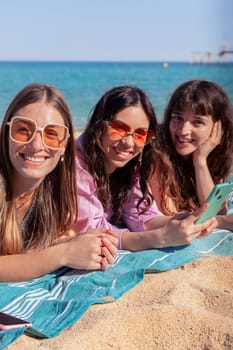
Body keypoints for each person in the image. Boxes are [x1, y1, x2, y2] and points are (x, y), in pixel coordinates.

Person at [74, 85, 217, 252]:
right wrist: (161, 238)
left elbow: (141, 215)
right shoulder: (78, 162)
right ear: (100, 124)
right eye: (119, 128)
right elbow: (94, 232)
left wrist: (183, 221)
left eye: (140, 133)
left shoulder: (133, 161)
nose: (129, 142)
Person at [0, 83, 118, 282]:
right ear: (6, 135)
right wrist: (64, 254)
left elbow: (41, 245)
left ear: (64, 145)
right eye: (23, 130)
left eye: (51, 134)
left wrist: (88, 243)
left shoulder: (49, 192)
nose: (36, 145)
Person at [149, 79, 233, 230]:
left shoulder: (215, 154)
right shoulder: (156, 152)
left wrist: (200, 161)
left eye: (197, 122)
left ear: (217, 128)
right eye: (178, 118)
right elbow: (168, 213)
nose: (183, 131)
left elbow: (217, 211)